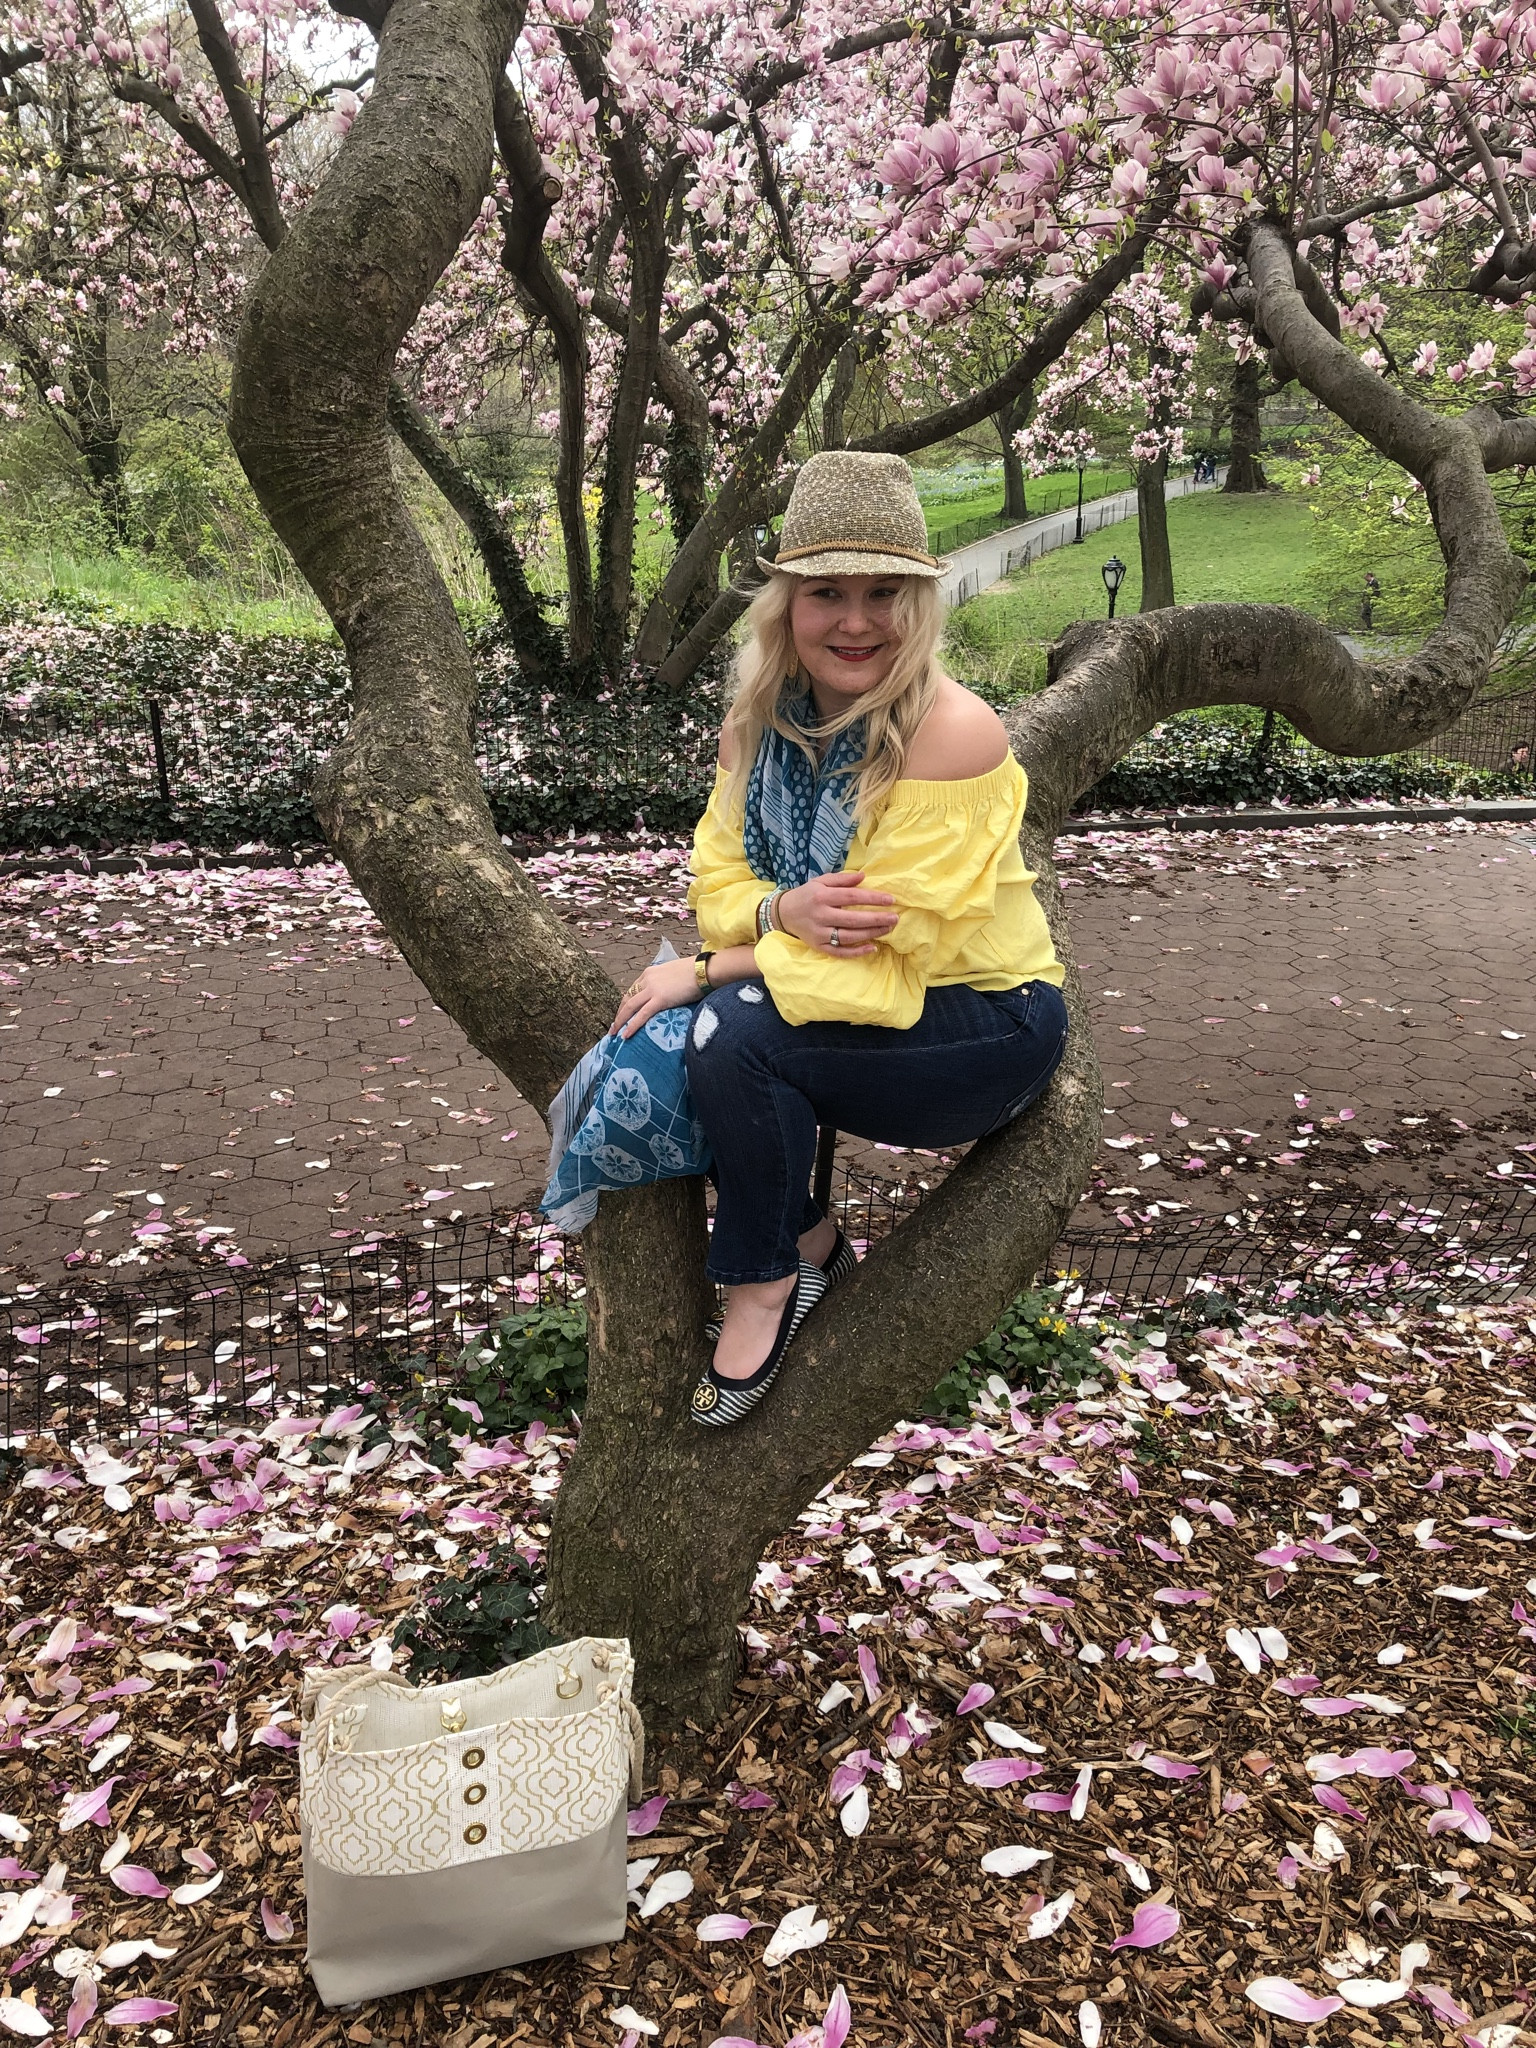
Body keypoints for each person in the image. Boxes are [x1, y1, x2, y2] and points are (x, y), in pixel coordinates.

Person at [610, 450, 1069, 1428]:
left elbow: (883, 965)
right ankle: (811, 1241)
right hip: (843, 996)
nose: (857, 620)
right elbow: (719, 885)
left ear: (921, 604)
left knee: (731, 1028)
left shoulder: (951, 732)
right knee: (725, 1031)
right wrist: (778, 913)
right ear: (786, 605)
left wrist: (717, 962)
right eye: (828, 592)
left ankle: (765, 1280)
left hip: (982, 1022)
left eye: (885, 592)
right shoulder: (757, 725)